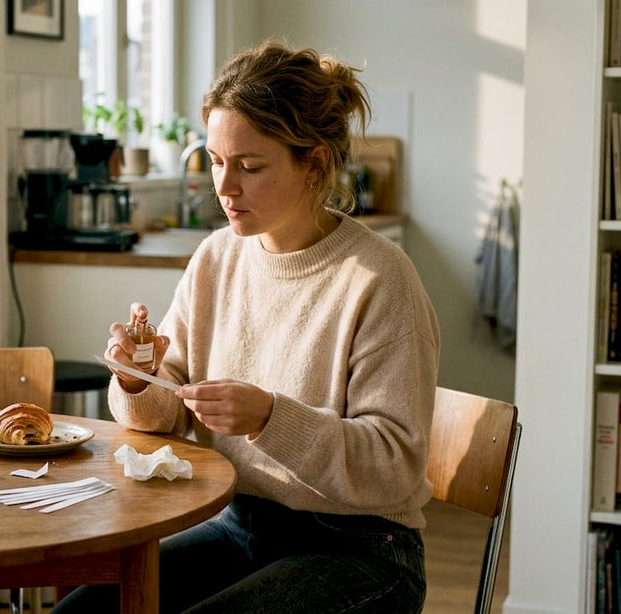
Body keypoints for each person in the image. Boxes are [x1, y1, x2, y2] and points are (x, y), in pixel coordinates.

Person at [52, 39, 440, 613]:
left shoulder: (380, 279)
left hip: (361, 552)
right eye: (215, 160)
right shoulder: (216, 258)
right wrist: (140, 381)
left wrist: (269, 417)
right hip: (239, 526)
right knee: (78, 613)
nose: (224, 188)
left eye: (250, 167)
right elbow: (170, 414)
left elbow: (393, 467)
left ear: (314, 164)